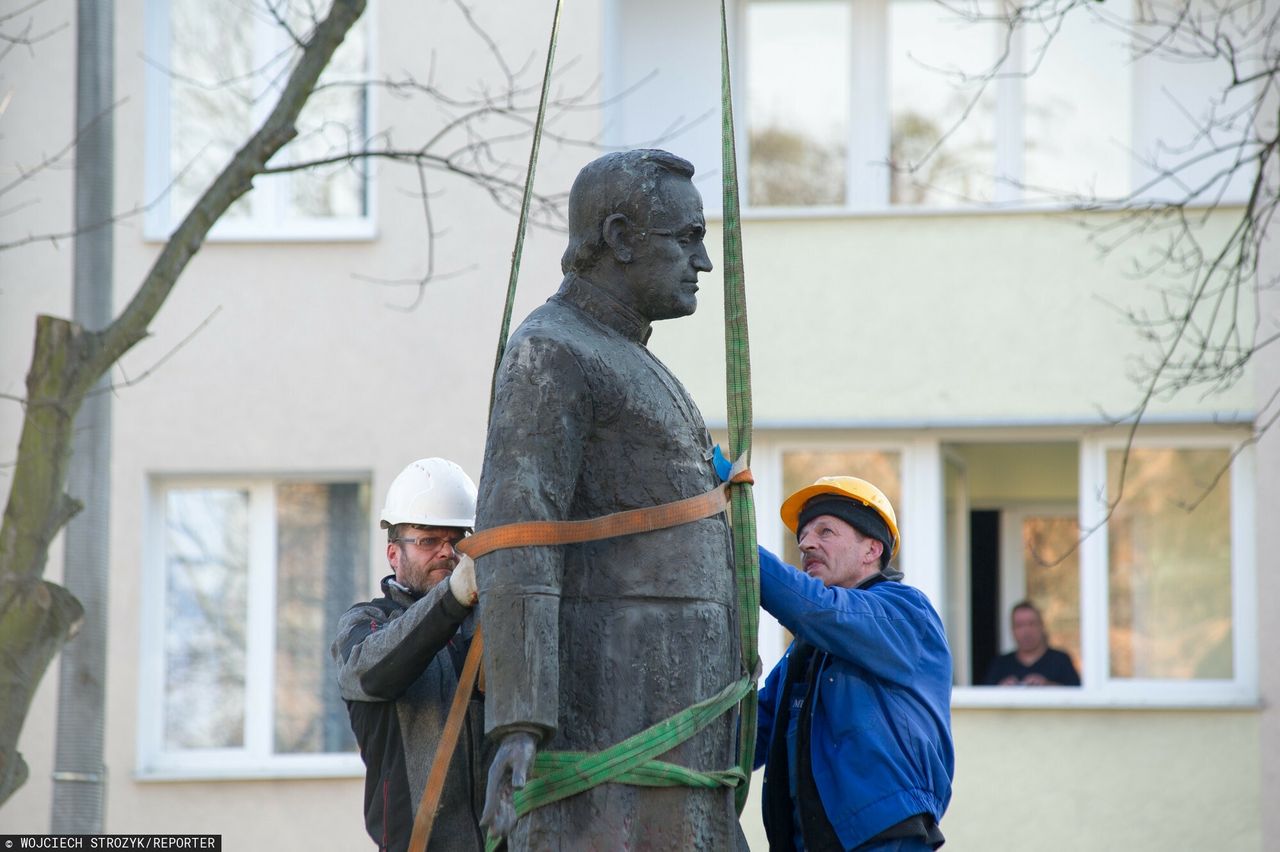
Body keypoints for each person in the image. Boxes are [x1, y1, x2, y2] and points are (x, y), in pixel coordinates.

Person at [474, 149, 744, 848]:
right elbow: (517, 533)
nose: (704, 263)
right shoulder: (552, 350)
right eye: (686, 239)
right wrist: (519, 720)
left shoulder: (629, 355)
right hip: (614, 718)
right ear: (621, 238)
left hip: (672, 727)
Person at [756, 476, 955, 851]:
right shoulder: (806, 651)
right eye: (803, 535)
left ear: (871, 550)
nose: (806, 543)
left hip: (884, 839)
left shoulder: (906, 614)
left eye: (825, 531)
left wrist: (730, 542)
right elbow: (748, 734)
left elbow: (817, 609)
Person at [331, 458, 488, 851]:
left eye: (456, 541)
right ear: (393, 554)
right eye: (428, 540)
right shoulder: (365, 623)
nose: (446, 552)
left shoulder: (485, 627)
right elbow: (372, 670)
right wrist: (451, 599)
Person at [983, 600, 1080, 686]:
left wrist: (1048, 686)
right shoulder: (1001, 664)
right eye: (1019, 625)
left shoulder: (1060, 660)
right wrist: (1000, 689)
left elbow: (1078, 697)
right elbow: (984, 699)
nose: (1026, 631)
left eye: (1032, 624)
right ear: (1012, 630)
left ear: (1042, 626)